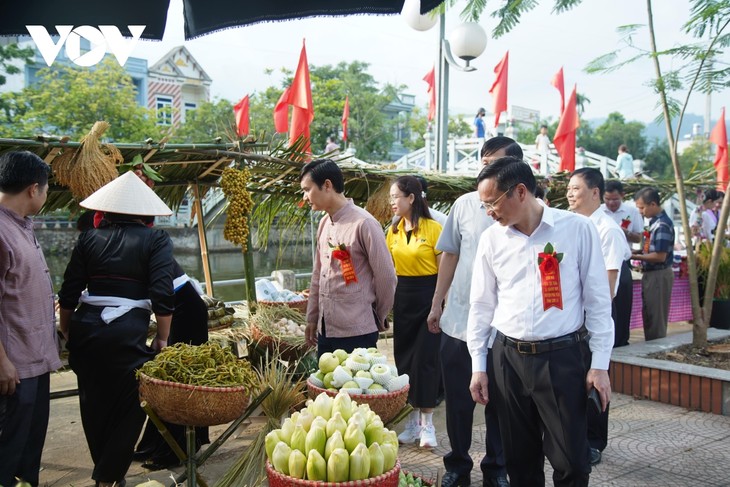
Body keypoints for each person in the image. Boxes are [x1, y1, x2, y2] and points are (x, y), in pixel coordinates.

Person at [468, 157, 614, 487]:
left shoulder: (577, 229)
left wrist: (600, 365)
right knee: (520, 463)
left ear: (520, 192)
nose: (489, 212)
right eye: (484, 206)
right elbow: (481, 306)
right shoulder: (492, 239)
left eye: (491, 203)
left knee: (572, 463)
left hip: (562, 359)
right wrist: (479, 365)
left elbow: (598, 302)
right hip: (508, 360)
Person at [58, 171, 175, 487]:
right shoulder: (156, 239)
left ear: (105, 210)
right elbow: (162, 293)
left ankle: (107, 474)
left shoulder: (88, 238)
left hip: (86, 329)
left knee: (93, 403)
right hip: (127, 333)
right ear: (145, 212)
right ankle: (108, 478)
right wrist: (162, 337)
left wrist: (67, 330)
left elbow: (69, 291)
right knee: (133, 404)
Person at [426, 136, 522, 487]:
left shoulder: (524, 209)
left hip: (505, 330)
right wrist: (438, 302)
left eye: (492, 163)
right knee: (457, 402)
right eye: (482, 162)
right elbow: (449, 253)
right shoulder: (465, 205)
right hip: (459, 322)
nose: (485, 169)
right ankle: (458, 464)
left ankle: (496, 467)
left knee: (499, 403)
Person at [0, 151, 62, 487]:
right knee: (8, 454)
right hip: (13, 369)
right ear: (33, 190)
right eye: (47, 189)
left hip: (35, 361)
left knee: (28, 455)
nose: (46, 194)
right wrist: (2, 362)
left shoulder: (22, 226)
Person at [567, 168, 631, 467]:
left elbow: (609, 283)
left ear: (595, 192)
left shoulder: (607, 229)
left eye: (576, 188)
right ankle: (576, 437)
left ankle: (594, 442)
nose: (569, 194)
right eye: (569, 188)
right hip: (573, 317)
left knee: (596, 376)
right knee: (577, 378)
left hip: (597, 314)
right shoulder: (574, 224)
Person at [301, 159, 396, 356]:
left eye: (307, 189)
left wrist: (376, 316)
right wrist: (312, 318)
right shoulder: (324, 223)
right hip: (326, 328)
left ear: (327, 185)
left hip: (358, 329)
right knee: (326, 386)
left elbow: (386, 276)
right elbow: (317, 275)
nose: (305, 197)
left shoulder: (365, 223)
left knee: (356, 385)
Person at [134, 260, 210, 470]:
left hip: (186, 312)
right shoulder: (133, 241)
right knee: (169, 379)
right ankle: (156, 444)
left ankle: (179, 450)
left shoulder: (148, 242)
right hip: (177, 311)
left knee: (181, 380)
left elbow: (162, 292)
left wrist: (162, 335)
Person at [386, 176, 442, 449]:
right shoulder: (392, 231)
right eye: (390, 197)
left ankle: (428, 424)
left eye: (395, 196)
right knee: (404, 361)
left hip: (428, 298)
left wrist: (438, 304)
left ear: (411, 197)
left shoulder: (433, 228)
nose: (392, 202)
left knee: (426, 361)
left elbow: (445, 272)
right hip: (403, 299)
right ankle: (410, 422)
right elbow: (388, 271)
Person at [601, 180, 643, 347]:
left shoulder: (632, 211)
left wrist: (624, 232)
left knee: (623, 303)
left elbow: (639, 237)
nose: (611, 203)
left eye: (615, 199)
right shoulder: (599, 212)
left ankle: (621, 340)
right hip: (603, 262)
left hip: (622, 261)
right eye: (608, 199)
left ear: (622, 196)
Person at [633, 187, 675, 341]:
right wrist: (637, 253)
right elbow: (651, 250)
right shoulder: (655, 222)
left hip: (658, 274)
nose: (640, 211)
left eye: (642, 207)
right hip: (652, 275)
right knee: (650, 313)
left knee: (656, 316)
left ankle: (656, 348)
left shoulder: (662, 225)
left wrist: (632, 256)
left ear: (653, 204)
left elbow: (659, 256)